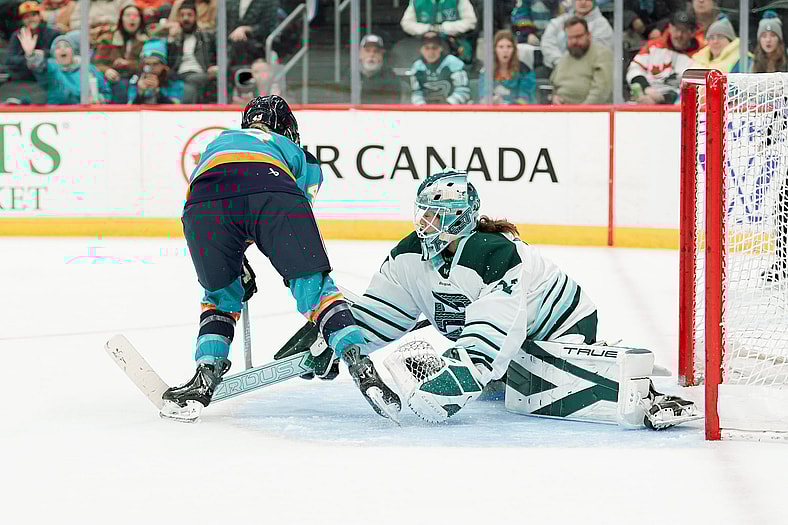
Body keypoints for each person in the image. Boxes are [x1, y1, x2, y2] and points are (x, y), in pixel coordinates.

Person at [346, 168, 700, 427]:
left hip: (562, 325)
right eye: (422, 213)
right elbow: (380, 313)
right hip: (517, 337)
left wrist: (459, 379)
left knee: (535, 393)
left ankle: (633, 385)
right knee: (511, 386)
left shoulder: (496, 255)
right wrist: (340, 337)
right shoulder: (410, 254)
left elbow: (495, 328)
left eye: (435, 215)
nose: (424, 222)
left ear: (459, 218)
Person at [160, 95, 402, 423]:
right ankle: (360, 363)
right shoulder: (300, 154)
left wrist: (234, 262)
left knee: (219, 297)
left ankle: (205, 375)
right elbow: (294, 208)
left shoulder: (218, 140)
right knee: (314, 289)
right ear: (287, 128)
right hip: (273, 192)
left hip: (204, 204)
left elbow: (216, 195)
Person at [626, 9, 699, 104]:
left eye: (684, 31)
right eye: (676, 29)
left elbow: (694, 89)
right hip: (643, 97)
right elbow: (634, 69)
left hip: (676, 106)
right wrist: (646, 88)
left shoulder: (699, 55)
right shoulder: (654, 46)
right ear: (670, 28)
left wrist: (661, 99)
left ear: (692, 33)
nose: (679, 35)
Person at [20, 30, 111, 103]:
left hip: (87, 115)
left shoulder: (89, 69)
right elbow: (39, 68)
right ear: (54, 54)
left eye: (66, 46)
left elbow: (107, 94)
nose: (62, 49)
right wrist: (30, 54)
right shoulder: (52, 69)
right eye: (58, 47)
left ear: (73, 52)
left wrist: (99, 99)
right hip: (58, 115)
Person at [5, 1, 61, 104]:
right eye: (26, 16)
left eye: (33, 15)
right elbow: (9, 59)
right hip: (24, 79)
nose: (30, 19)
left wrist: (41, 54)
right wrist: (29, 57)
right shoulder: (17, 35)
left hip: (49, 79)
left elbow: (59, 55)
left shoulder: (53, 33)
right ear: (22, 20)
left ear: (40, 16)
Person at [550, 16, 613, 104]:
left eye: (578, 36)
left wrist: (581, 112)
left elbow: (601, 92)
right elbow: (553, 86)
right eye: (570, 38)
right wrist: (554, 97)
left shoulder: (602, 54)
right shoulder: (564, 58)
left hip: (591, 114)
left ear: (589, 35)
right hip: (561, 111)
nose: (574, 41)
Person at [540, 0, 613, 72]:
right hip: (557, 68)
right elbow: (547, 44)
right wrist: (560, 63)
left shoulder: (602, 25)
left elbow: (600, 53)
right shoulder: (558, 22)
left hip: (589, 72)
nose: (583, 2)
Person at [166, 0, 216, 103]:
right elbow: (169, 62)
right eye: (182, 15)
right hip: (179, 74)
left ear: (196, 17)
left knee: (191, 81)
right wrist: (171, 40)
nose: (186, 18)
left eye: (189, 15)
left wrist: (216, 67)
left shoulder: (206, 36)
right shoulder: (175, 39)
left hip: (200, 73)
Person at [400, 0, 478, 64]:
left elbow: (471, 22)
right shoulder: (417, 1)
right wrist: (429, 28)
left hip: (455, 48)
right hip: (424, 47)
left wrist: (443, 28)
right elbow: (406, 24)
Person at [410, 31, 470, 105]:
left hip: (453, 110)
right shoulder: (417, 67)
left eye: (434, 48)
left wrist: (448, 104)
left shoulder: (453, 63)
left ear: (441, 48)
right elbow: (416, 92)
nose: (431, 52)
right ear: (421, 50)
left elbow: (463, 90)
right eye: (427, 48)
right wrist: (421, 106)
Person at [478, 29, 536, 104]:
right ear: (495, 49)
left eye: (509, 47)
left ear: (514, 49)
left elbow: (525, 98)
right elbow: (483, 97)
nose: (505, 50)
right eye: (501, 47)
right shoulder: (486, 71)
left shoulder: (524, 71)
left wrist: (506, 105)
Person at [344, 34, 402, 105]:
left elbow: (391, 106)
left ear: (381, 55)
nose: (371, 55)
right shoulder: (349, 76)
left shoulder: (391, 79)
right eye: (367, 51)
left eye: (376, 51)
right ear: (360, 54)